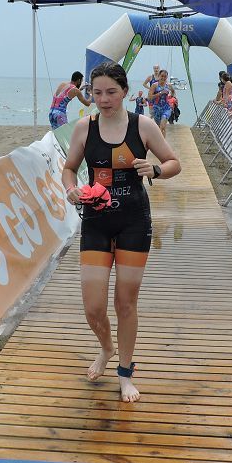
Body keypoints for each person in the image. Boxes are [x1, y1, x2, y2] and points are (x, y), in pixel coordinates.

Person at [62, 62, 181, 403]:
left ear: (125, 92)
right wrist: (70, 188)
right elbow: (69, 168)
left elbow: (174, 162)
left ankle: (125, 373)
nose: (103, 99)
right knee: (93, 306)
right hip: (96, 221)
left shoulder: (142, 126)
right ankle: (106, 348)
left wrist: (155, 169)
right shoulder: (85, 128)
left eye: (111, 92)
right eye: (96, 93)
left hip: (133, 221)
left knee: (125, 304)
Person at [148, 69, 173, 134]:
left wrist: (172, 99)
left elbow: (173, 92)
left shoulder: (168, 85)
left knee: (162, 127)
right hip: (156, 109)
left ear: (167, 77)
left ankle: (163, 144)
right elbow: (150, 97)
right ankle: (160, 142)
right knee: (159, 128)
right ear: (159, 76)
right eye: (162, 76)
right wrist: (160, 93)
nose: (163, 78)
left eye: (165, 76)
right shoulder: (154, 85)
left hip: (166, 108)